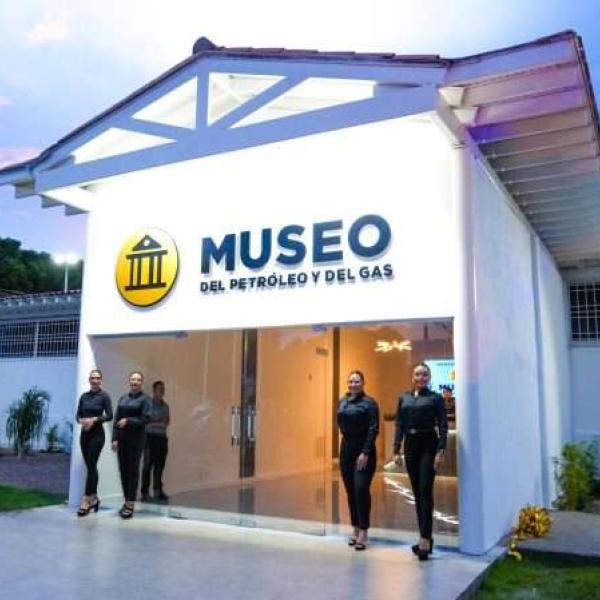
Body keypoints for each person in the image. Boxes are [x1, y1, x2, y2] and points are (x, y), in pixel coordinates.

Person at [394, 362, 448, 560]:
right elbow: (400, 424)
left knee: (425, 490)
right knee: (417, 493)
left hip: (428, 445)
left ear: (429, 377)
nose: (421, 377)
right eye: (417, 374)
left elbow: (443, 425)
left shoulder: (436, 398)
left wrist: (441, 450)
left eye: (425, 374)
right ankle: (425, 537)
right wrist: (396, 449)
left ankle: (424, 540)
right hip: (410, 446)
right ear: (412, 377)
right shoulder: (404, 398)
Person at [337, 370, 379, 551]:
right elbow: (340, 423)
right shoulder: (342, 401)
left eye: (357, 381)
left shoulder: (370, 403)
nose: (353, 384)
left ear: (363, 383)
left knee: (361, 488)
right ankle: (355, 527)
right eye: (351, 381)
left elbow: (373, 428)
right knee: (350, 491)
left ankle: (363, 530)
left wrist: (365, 452)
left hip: (364, 452)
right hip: (346, 449)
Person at [111, 371, 151, 519]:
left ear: (141, 382)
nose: (135, 382)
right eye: (133, 379)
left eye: (138, 380)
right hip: (122, 440)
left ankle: (130, 503)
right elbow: (116, 419)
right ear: (129, 381)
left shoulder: (145, 400)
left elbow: (146, 419)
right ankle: (126, 500)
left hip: (136, 440)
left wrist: (128, 421)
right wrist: (114, 439)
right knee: (123, 470)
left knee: (132, 471)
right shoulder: (123, 398)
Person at [75, 369, 113, 516]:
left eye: (97, 378)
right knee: (91, 467)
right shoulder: (84, 396)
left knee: (91, 465)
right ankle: (94, 499)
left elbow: (110, 415)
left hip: (97, 436)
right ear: (89, 380)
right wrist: (82, 421)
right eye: (93, 378)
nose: (95, 380)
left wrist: (95, 419)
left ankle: (86, 500)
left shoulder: (104, 396)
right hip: (84, 435)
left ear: (101, 381)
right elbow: (78, 414)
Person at [141, 380, 170, 502]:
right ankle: (145, 493)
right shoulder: (147, 405)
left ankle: (158, 491)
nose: (162, 391)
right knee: (147, 466)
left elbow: (166, 423)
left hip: (162, 439)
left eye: (163, 389)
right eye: (160, 389)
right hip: (149, 439)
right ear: (154, 390)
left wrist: (154, 423)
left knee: (160, 466)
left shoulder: (166, 406)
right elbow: (146, 423)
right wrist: (158, 423)